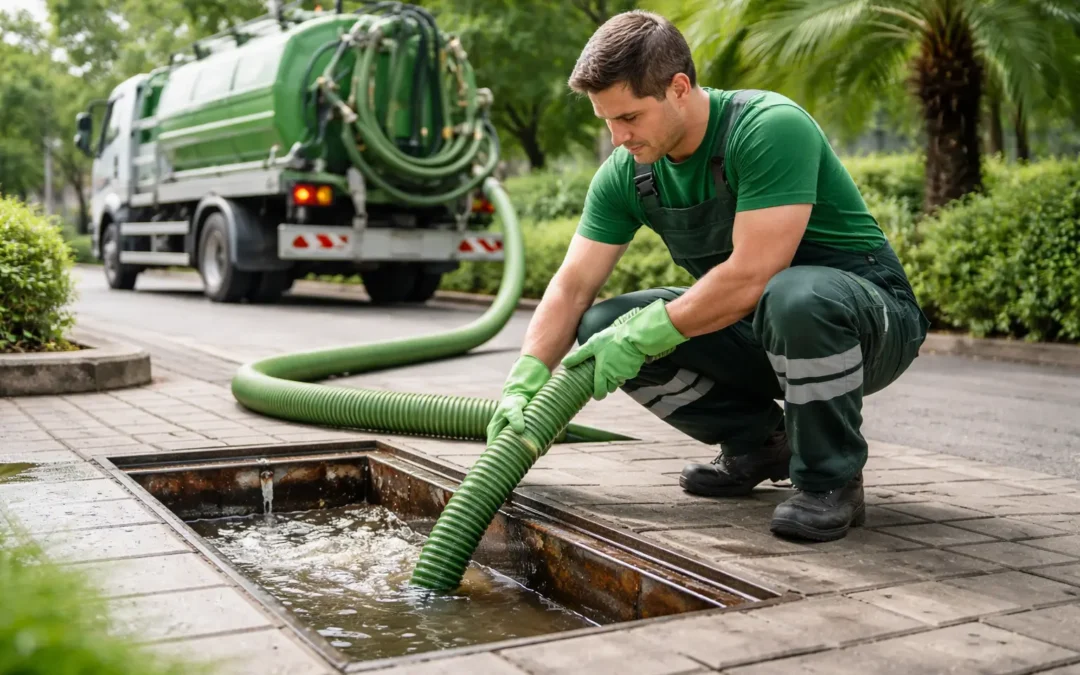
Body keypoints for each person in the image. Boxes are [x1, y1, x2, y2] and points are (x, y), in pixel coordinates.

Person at [485, 10, 930, 542]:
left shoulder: (767, 128)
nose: (616, 136)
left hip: (867, 322)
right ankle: (761, 443)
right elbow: (572, 286)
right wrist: (526, 378)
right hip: (760, 325)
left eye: (629, 117)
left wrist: (641, 336)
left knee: (791, 294)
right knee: (604, 323)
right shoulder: (628, 174)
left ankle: (829, 479)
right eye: (607, 120)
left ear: (678, 88)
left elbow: (752, 276)